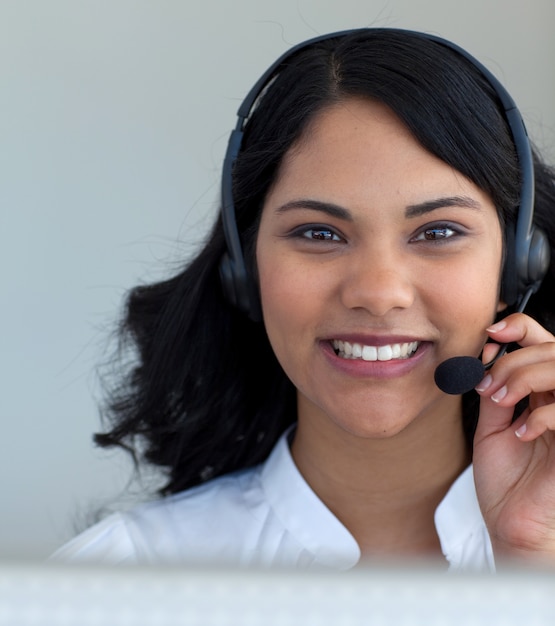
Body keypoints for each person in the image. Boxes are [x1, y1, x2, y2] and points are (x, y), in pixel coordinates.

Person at [53, 28, 555, 571]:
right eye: (320, 233)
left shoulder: (543, 551)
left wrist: (531, 561)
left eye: (437, 233)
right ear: (244, 271)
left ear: (516, 269)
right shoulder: (122, 576)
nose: (378, 294)